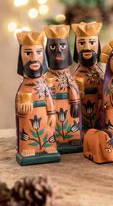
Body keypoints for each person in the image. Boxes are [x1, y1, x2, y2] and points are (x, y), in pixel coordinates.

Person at [15, 31, 60, 165]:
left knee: (48, 129)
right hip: (29, 116)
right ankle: (28, 147)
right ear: (21, 56)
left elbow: (49, 98)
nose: (34, 58)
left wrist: (52, 113)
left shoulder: (44, 84)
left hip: (45, 115)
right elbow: (19, 103)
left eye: (39, 52)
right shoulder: (23, 86)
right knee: (28, 129)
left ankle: (48, 146)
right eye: (28, 53)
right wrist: (21, 107)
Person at [44, 25, 82, 153]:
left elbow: (74, 88)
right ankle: (53, 138)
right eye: (53, 47)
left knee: (72, 121)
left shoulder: (68, 76)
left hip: (69, 107)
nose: (58, 51)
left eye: (63, 46)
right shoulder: (47, 77)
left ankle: (74, 137)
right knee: (53, 124)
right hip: (54, 108)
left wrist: (75, 103)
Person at [72, 22, 104, 132]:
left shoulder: (100, 72)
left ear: (98, 45)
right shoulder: (75, 74)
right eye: (81, 43)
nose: (87, 47)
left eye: (91, 42)